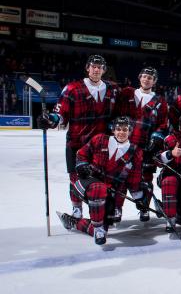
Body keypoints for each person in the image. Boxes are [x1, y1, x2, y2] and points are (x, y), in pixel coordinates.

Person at [39, 55, 119, 219]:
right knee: (76, 179)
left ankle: (102, 209)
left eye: (100, 67)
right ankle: (77, 209)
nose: (96, 69)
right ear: (87, 68)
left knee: (100, 179)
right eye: (93, 66)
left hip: (101, 146)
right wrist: (51, 120)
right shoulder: (72, 88)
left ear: (104, 70)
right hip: (77, 144)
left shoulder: (113, 89)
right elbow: (60, 113)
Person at [57, 117, 142, 245]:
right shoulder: (100, 139)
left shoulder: (136, 152)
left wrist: (139, 199)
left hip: (108, 193)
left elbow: (133, 179)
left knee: (106, 223)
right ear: (113, 130)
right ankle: (95, 225)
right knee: (98, 189)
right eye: (118, 129)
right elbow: (81, 154)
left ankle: (73, 222)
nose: (121, 132)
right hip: (87, 184)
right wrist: (82, 164)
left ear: (130, 131)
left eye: (125, 129)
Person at [115, 67, 168, 222]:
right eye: (144, 76)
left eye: (150, 78)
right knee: (121, 177)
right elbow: (116, 114)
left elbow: (163, 125)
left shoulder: (160, 101)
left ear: (155, 81)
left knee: (145, 179)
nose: (146, 79)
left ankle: (144, 208)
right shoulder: (127, 94)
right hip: (124, 145)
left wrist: (156, 139)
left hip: (146, 148)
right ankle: (117, 208)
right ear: (139, 78)